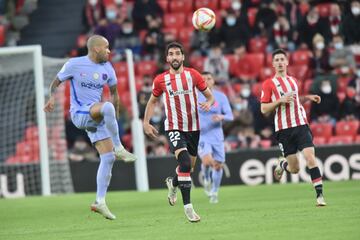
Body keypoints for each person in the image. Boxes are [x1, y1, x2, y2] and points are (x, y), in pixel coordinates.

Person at [44, 35, 137, 220]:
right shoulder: (74, 64)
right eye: (106, 47)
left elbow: (115, 94)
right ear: (96, 49)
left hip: (97, 117)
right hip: (79, 114)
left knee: (108, 158)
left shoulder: (108, 68)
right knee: (107, 107)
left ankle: (100, 202)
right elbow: (55, 82)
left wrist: (115, 117)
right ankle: (120, 147)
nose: (109, 51)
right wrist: (51, 97)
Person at [143, 42, 214, 222]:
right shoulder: (161, 80)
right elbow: (152, 102)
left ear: (183, 57)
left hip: (193, 128)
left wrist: (208, 103)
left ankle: (172, 183)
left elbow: (210, 95)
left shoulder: (193, 75)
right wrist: (146, 122)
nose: (174, 57)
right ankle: (188, 208)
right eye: (171, 54)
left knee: (187, 167)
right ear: (167, 58)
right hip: (174, 127)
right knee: (183, 162)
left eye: (177, 54)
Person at [260, 49, 326, 207]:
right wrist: (279, 101)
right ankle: (283, 164)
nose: (280, 62)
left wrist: (307, 97)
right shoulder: (268, 84)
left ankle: (320, 196)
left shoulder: (293, 81)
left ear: (287, 62)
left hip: (301, 125)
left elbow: (295, 101)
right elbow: (264, 109)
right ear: (273, 64)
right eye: (277, 60)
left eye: (282, 59)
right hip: (284, 130)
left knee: (310, 158)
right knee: (295, 169)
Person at [197, 72, 233, 203]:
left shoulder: (221, 97)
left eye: (209, 78)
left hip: (217, 136)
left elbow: (230, 115)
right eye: (203, 79)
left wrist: (221, 117)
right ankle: (206, 177)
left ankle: (214, 191)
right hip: (201, 135)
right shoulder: (195, 97)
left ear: (213, 81)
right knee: (207, 161)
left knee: (218, 166)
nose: (206, 81)